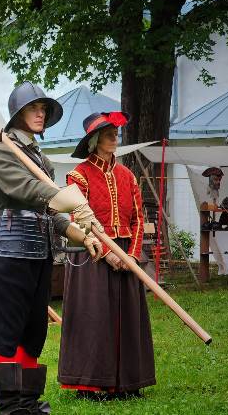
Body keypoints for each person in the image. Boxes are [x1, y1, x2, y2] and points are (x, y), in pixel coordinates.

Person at [0, 82, 103, 414]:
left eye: (44, 110)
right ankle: (11, 408)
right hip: (8, 250)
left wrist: (79, 234)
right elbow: (26, 189)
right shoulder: (2, 151)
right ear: (18, 113)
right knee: (8, 330)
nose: (41, 114)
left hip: (39, 250)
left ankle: (28, 402)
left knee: (33, 330)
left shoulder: (40, 157)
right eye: (34, 108)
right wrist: (67, 199)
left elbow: (48, 212)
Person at [58, 112, 155, 399]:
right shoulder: (79, 175)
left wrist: (133, 256)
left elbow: (138, 219)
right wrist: (106, 253)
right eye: (109, 134)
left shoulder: (128, 176)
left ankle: (127, 382)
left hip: (126, 251)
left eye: (116, 133)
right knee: (94, 317)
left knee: (127, 318)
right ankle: (91, 384)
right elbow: (79, 217)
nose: (115, 138)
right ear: (95, 140)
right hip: (92, 253)